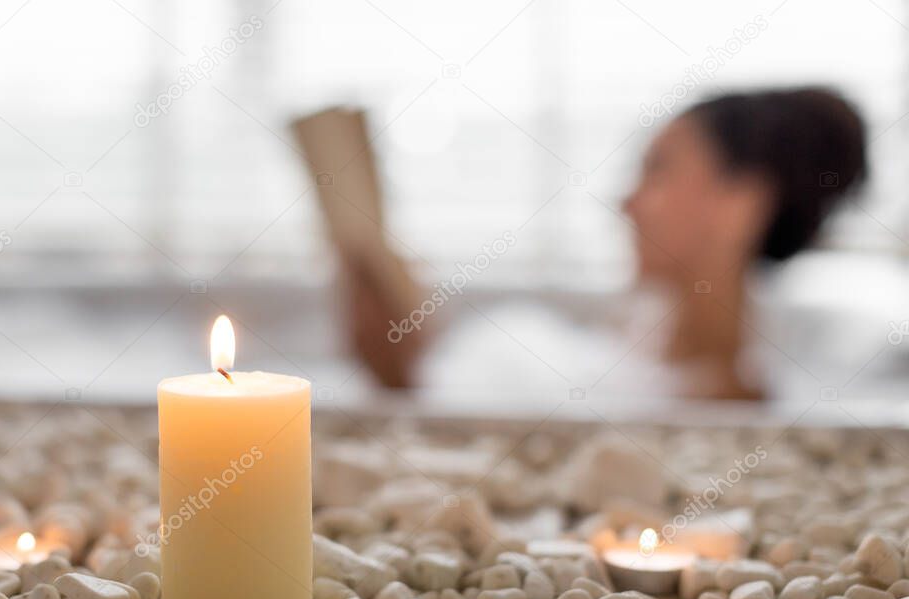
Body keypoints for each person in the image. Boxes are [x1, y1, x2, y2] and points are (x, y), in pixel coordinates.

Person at [344, 88, 867, 399]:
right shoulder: (649, 334)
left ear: (740, 204)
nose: (627, 203)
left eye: (657, 172)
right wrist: (407, 371)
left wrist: (405, 382)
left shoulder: (732, 388)